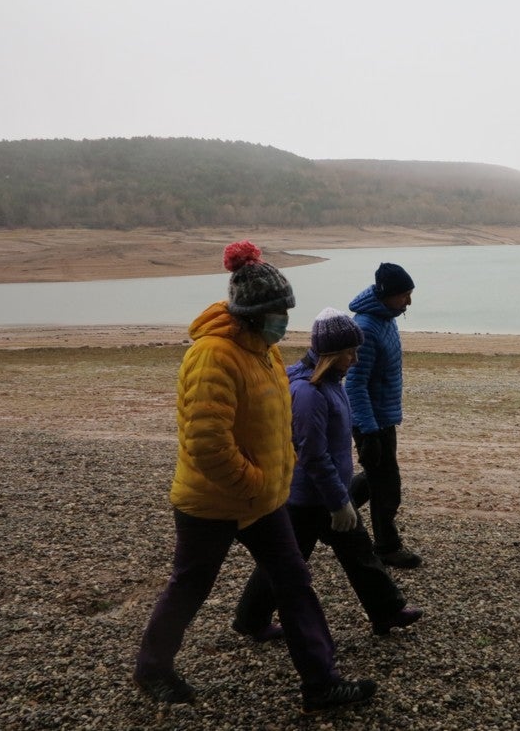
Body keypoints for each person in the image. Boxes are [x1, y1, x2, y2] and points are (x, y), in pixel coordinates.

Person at [133, 240, 376, 714]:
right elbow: (207, 443)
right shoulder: (213, 356)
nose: (285, 318)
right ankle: (152, 668)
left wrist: (269, 485)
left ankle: (321, 683)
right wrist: (255, 485)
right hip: (213, 503)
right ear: (250, 314)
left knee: (294, 580)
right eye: (277, 311)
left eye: (286, 309)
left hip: (262, 499)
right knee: (190, 585)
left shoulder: (262, 350)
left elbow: (273, 422)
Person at [234, 307, 423, 637]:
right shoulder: (309, 393)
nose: (354, 358)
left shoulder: (331, 382)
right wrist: (339, 502)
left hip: (325, 491)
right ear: (330, 353)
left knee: (358, 553)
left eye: (355, 351)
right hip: (310, 498)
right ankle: (252, 620)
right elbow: (313, 455)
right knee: (286, 563)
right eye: (349, 352)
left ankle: (387, 611)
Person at [346, 263, 422, 569]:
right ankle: (387, 547)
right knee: (387, 485)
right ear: (387, 295)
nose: (409, 301)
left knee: (377, 477)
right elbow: (354, 383)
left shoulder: (386, 320)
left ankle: (328, 509)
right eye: (404, 295)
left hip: (383, 418)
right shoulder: (365, 327)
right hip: (371, 421)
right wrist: (369, 430)